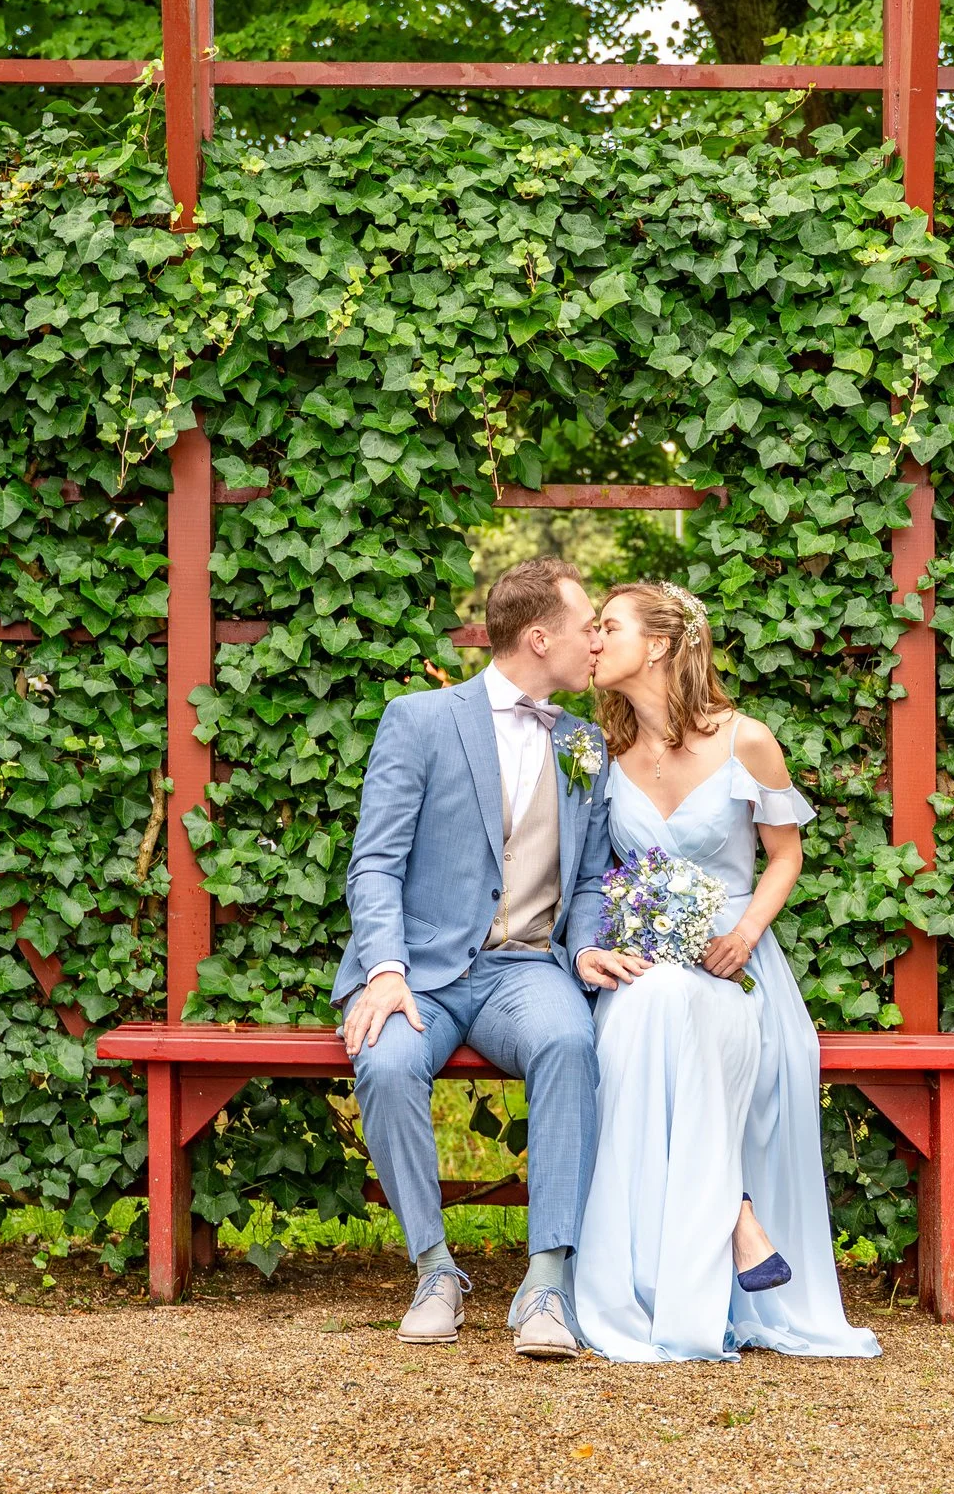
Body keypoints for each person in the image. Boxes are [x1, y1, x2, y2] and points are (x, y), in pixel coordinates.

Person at [333, 557, 647, 1359]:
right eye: (587, 627)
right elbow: (374, 862)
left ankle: (547, 1283)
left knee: (570, 1042)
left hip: (524, 969)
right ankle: (434, 1270)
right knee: (386, 1061)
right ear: (539, 637)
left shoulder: (584, 743)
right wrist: (385, 969)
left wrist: (586, 947)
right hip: (420, 971)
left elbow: (589, 878)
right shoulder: (419, 719)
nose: (597, 642)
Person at [571, 580, 882, 1363]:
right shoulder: (601, 753)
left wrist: (745, 931)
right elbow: (590, 876)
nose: (594, 640)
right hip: (645, 969)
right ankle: (731, 1221)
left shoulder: (748, 740)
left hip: (736, 969)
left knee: (674, 1005)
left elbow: (786, 856)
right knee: (657, 999)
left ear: (660, 644)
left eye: (609, 626)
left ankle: (691, 1266)